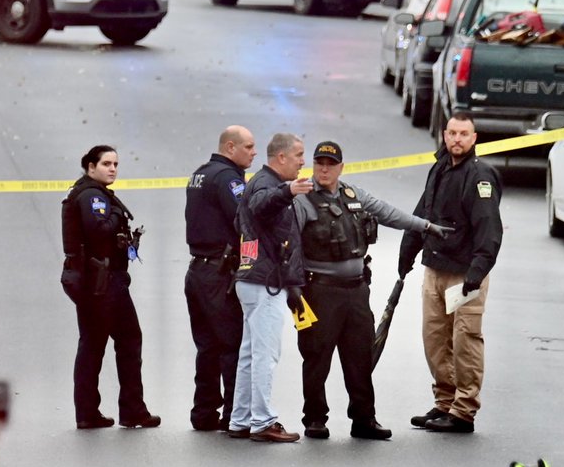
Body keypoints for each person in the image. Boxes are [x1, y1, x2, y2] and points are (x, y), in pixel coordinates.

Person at [292, 140, 448, 442]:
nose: (324, 169)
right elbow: (288, 244)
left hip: (356, 291)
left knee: (360, 356)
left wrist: (425, 226)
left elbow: (388, 213)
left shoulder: (354, 195)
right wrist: (292, 291)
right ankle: (314, 419)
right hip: (318, 292)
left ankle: (364, 419)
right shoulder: (302, 200)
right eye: (319, 163)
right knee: (316, 357)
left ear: (341, 167)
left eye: (330, 164)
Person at [399, 113, 502, 435]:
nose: (457, 139)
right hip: (435, 270)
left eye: (464, 134)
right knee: (435, 341)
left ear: (474, 138)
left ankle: (463, 411)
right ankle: (444, 401)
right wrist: (407, 252)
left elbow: (489, 228)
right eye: (452, 133)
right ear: (445, 135)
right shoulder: (439, 169)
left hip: (465, 276)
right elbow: (422, 214)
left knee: (465, 342)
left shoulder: (480, 175)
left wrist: (477, 272)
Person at [61, 145, 160, 430]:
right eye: (106, 164)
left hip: (93, 281)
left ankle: (88, 412)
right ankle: (131, 410)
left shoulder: (84, 192)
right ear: (91, 167)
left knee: (92, 346)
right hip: (104, 283)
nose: (113, 169)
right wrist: (117, 217)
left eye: (116, 164)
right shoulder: (93, 196)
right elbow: (100, 229)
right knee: (127, 341)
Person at [229, 132, 313, 443]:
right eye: (298, 155)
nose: (303, 161)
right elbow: (262, 205)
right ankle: (263, 420)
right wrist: (288, 190)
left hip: (253, 279)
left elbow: (244, 221)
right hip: (263, 283)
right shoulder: (267, 185)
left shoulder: (259, 182)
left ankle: (240, 419)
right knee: (266, 355)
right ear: (281, 158)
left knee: (250, 354)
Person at [184, 125, 256, 432]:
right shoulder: (227, 178)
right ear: (230, 147)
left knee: (207, 346)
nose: (254, 152)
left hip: (198, 271)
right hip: (219, 272)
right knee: (231, 344)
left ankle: (203, 412)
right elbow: (245, 218)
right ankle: (233, 414)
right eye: (249, 147)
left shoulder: (201, 173)